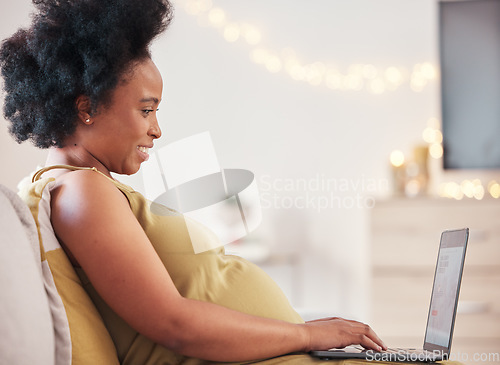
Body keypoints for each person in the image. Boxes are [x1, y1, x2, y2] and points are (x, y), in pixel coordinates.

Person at [0, 0, 387, 363]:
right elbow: (175, 324)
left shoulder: (84, 187)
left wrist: (302, 330)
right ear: (88, 108)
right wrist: (307, 336)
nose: (157, 129)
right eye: (146, 110)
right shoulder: (82, 192)